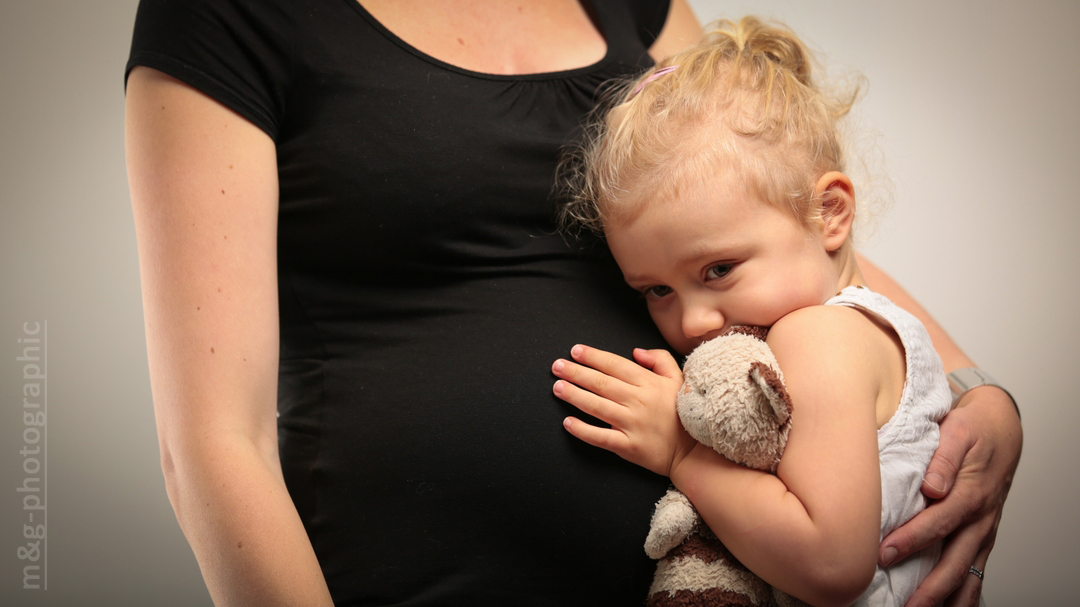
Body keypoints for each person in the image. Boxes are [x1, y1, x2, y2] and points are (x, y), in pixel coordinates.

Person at [123, 1, 1019, 605]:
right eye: (656, 291)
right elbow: (213, 442)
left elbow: (776, 210)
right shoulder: (228, 15)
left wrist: (977, 389)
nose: (694, 314)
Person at [550, 16, 1014, 607]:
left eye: (718, 270)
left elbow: (831, 565)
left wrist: (681, 454)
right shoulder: (859, 328)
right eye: (655, 290)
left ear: (829, 213)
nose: (691, 323)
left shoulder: (820, 338)